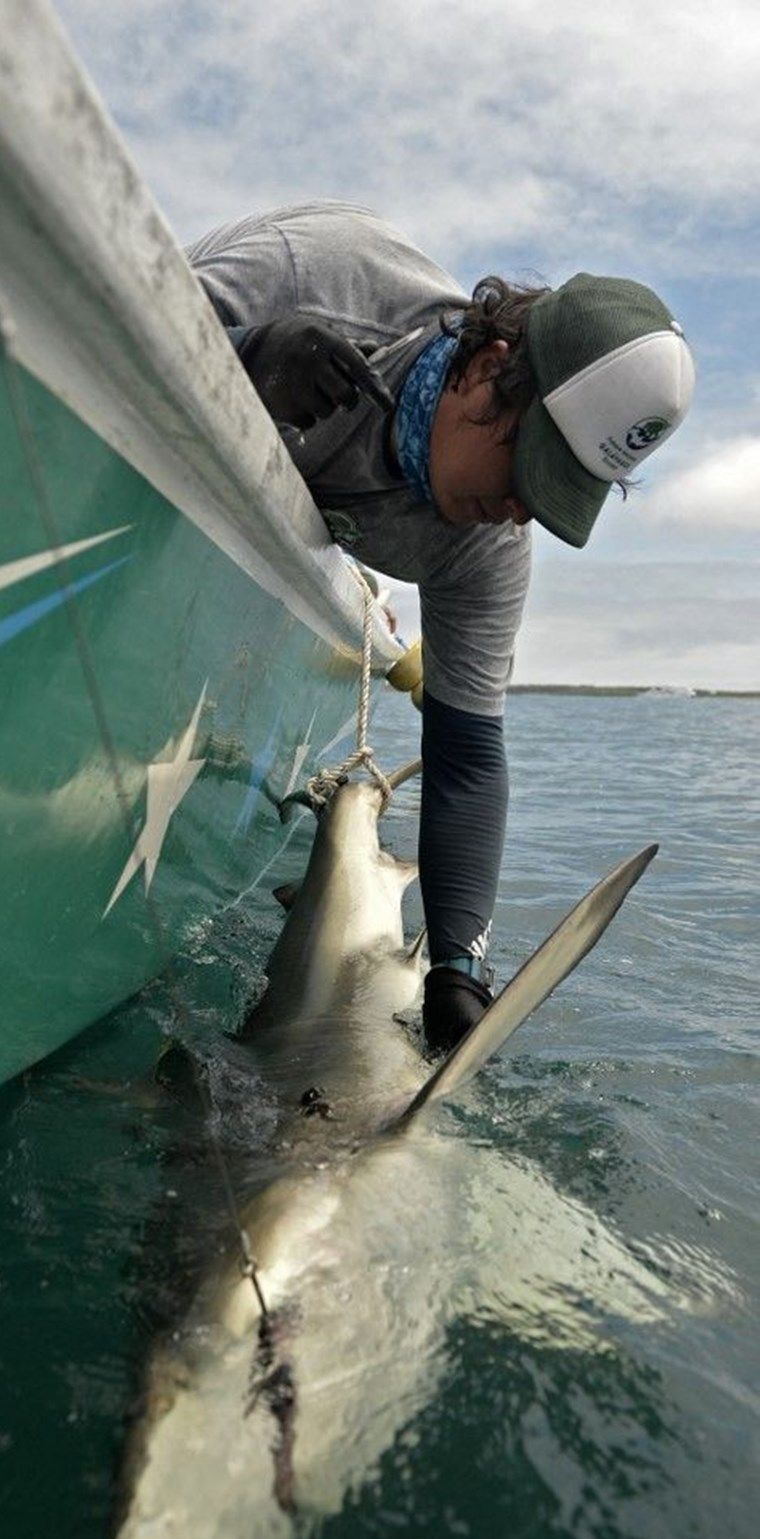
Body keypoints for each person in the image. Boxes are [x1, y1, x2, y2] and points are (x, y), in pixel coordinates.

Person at [187, 203, 694, 1051]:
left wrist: (459, 969)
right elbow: (41, 325)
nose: (520, 510)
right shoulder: (316, 272)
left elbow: (464, 757)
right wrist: (232, 357)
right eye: (530, 468)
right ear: (487, 367)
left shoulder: (488, 545)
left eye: (555, 498)